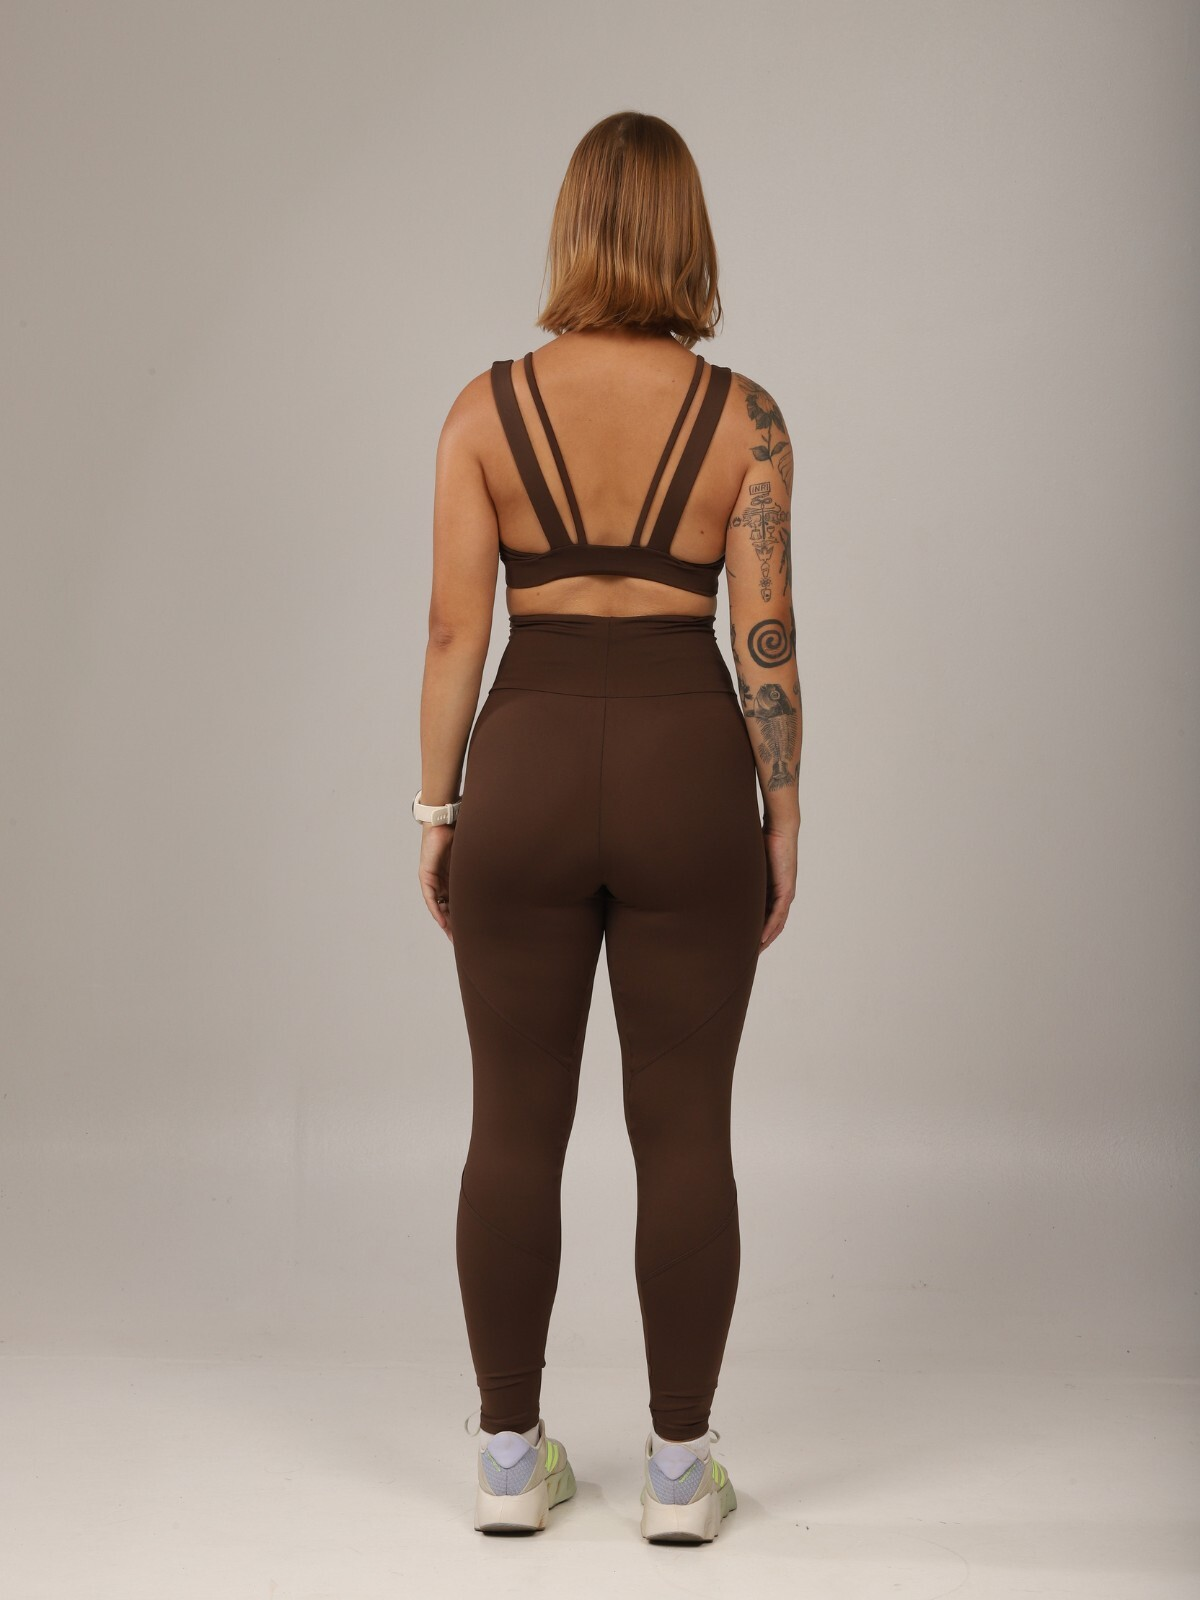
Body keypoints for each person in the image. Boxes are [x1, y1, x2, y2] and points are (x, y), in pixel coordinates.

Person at [414, 110, 801, 1544]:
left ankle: (508, 1460)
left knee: (512, 1119)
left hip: (523, 762)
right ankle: (682, 1476)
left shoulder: (482, 412)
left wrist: (439, 810)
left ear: (572, 229)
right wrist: (782, 810)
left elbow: (455, 634)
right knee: (685, 1126)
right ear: (690, 236)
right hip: (687, 768)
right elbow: (765, 637)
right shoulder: (748, 420)